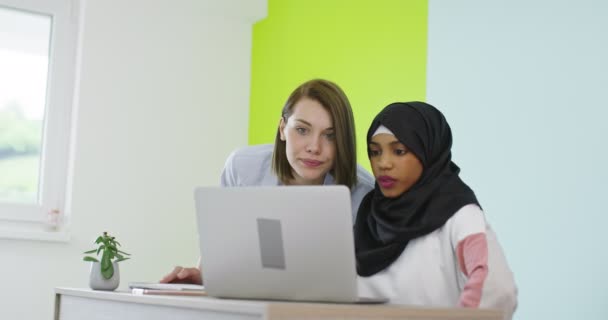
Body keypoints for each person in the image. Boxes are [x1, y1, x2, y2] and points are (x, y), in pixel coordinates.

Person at [160, 79, 374, 284]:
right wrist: (201, 277)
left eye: (330, 135)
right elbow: (220, 249)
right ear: (282, 129)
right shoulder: (243, 169)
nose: (314, 147)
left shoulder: (364, 193)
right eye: (302, 130)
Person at [354, 102, 517, 319]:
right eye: (375, 152)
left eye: (399, 151)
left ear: (428, 152)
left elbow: (496, 290)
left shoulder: (460, 215)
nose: (383, 163)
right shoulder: (367, 214)